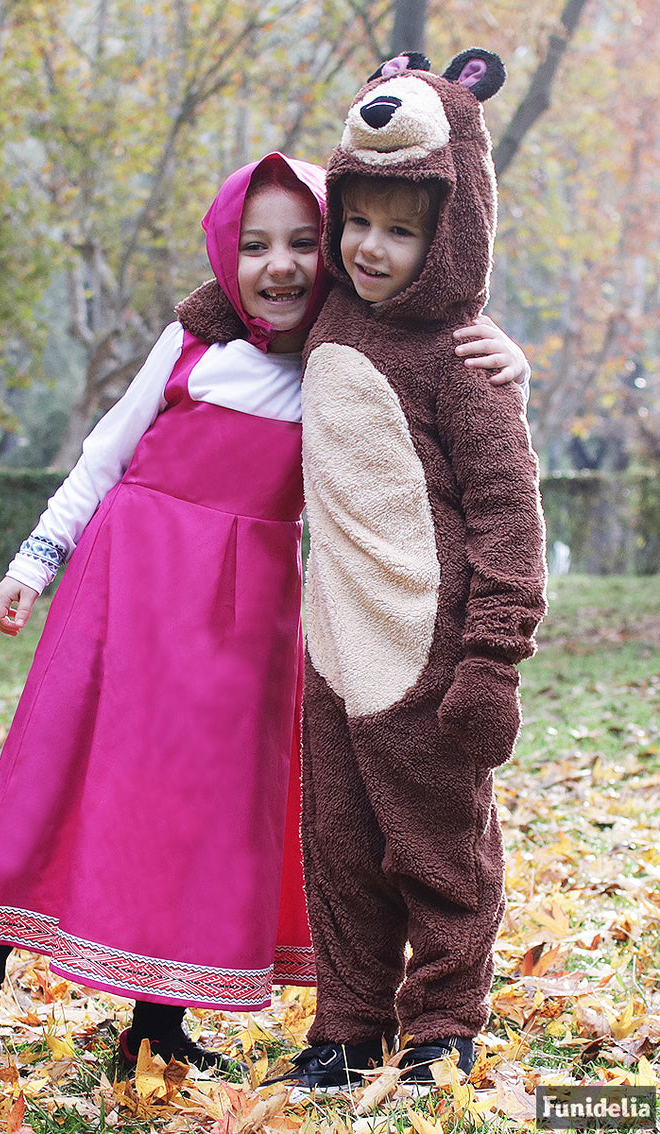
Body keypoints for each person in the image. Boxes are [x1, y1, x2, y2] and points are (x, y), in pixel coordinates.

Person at [0, 149, 530, 1088]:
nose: (281, 265)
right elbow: (105, 455)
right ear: (227, 252)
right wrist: (35, 560)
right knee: (46, 784)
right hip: (124, 595)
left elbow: (446, 394)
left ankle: (157, 1025)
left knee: (204, 804)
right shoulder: (193, 344)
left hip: (243, 622)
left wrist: (513, 358)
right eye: (255, 244)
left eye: (304, 242)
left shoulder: (342, 361)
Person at [272, 50, 548, 1093]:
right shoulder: (332, 318)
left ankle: (443, 1021)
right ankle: (347, 1023)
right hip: (337, 646)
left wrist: (493, 661)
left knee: (437, 849)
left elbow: (509, 519)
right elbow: (258, 286)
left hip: (432, 649)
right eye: (360, 221)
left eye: (404, 227)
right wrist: (205, 317)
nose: (372, 248)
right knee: (340, 846)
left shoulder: (465, 360)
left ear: (451, 231)